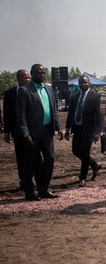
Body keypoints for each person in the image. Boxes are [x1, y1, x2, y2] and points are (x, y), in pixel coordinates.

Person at [15, 64, 63, 200]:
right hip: (32, 133)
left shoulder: (49, 88)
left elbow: (54, 109)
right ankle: (29, 192)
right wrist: (25, 133)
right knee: (30, 162)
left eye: (43, 73)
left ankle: (44, 189)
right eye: (38, 73)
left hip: (47, 131)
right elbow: (21, 115)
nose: (41, 75)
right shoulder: (24, 90)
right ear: (32, 74)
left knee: (50, 158)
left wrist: (57, 127)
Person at [64, 75, 102, 187]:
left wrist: (97, 131)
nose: (83, 85)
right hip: (77, 128)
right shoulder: (74, 96)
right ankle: (94, 164)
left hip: (89, 129)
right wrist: (67, 128)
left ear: (89, 83)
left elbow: (99, 115)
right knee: (75, 151)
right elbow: (71, 113)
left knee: (85, 152)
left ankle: (83, 177)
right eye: (81, 83)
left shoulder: (95, 96)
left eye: (85, 83)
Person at [3, 69, 31, 191]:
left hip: (33, 131)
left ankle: (36, 182)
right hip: (17, 132)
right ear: (18, 79)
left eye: (29, 77)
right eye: (25, 78)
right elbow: (7, 113)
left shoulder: (33, 91)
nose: (28, 80)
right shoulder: (10, 94)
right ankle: (23, 182)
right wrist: (6, 131)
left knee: (35, 158)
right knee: (21, 157)